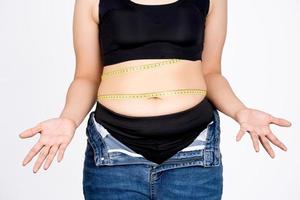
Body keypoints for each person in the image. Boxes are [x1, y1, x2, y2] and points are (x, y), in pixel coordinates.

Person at [19, 0, 292, 199]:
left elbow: (211, 73)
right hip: (115, 151)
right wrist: (68, 119)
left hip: (193, 151)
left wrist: (241, 111)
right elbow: (86, 77)